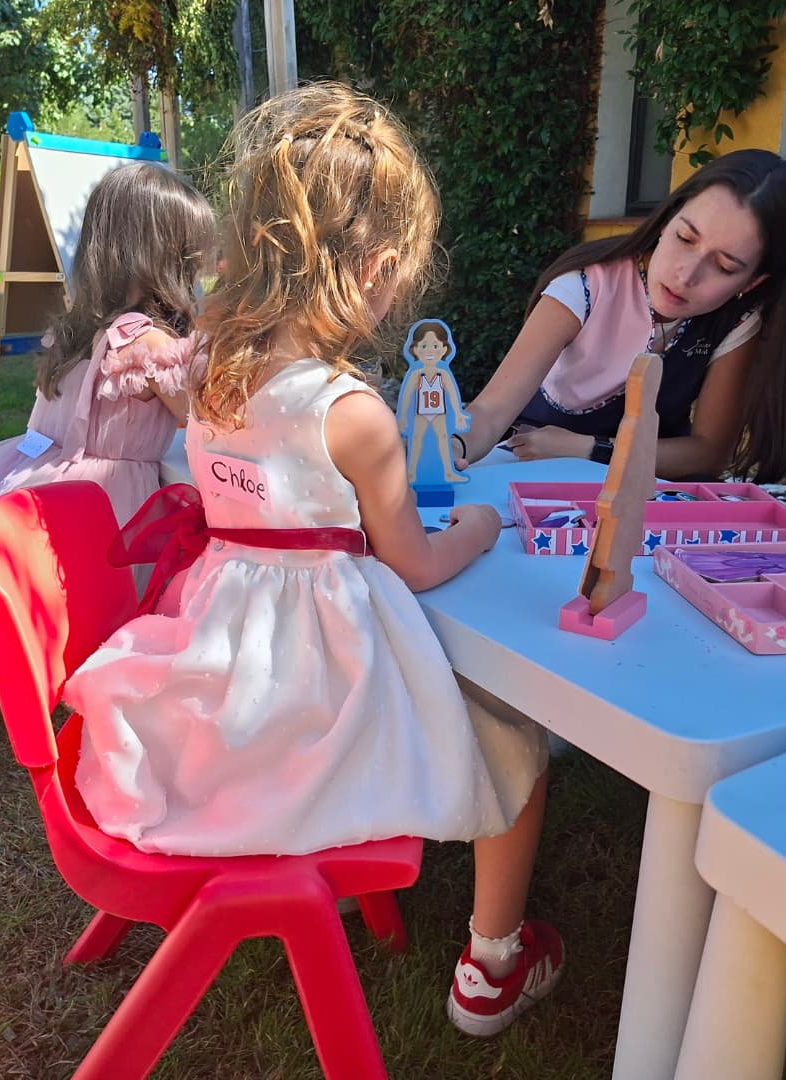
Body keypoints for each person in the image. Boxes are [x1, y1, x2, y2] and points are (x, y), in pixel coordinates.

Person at [62, 81, 563, 1040]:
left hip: (224, 652)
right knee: (514, 740)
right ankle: (493, 961)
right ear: (374, 268)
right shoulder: (354, 412)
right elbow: (413, 562)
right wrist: (485, 529)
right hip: (312, 683)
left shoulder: (209, 371)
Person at [0, 162, 216, 619]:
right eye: (193, 256)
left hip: (36, 491)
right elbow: (207, 421)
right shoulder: (148, 344)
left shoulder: (82, 328)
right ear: (168, 258)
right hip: (97, 516)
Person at [455, 149, 786, 484]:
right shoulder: (586, 286)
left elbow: (708, 452)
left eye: (723, 266)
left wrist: (589, 449)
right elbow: (491, 410)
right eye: (685, 238)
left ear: (753, 282)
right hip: (535, 470)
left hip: (652, 490)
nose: (685, 275)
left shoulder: (737, 319)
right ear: (665, 221)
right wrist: (448, 448)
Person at [396, 320, 469, 483]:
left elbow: (451, 394)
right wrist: (401, 417)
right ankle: (411, 473)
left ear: (443, 349)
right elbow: (407, 396)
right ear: (415, 349)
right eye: (424, 346)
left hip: (439, 413)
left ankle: (449, 472)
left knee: (444, 439)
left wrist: (458, 414)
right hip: (420, 413)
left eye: (435, 346)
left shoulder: (443, 373)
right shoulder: (416, 374)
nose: (429, 350)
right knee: (416, 439)